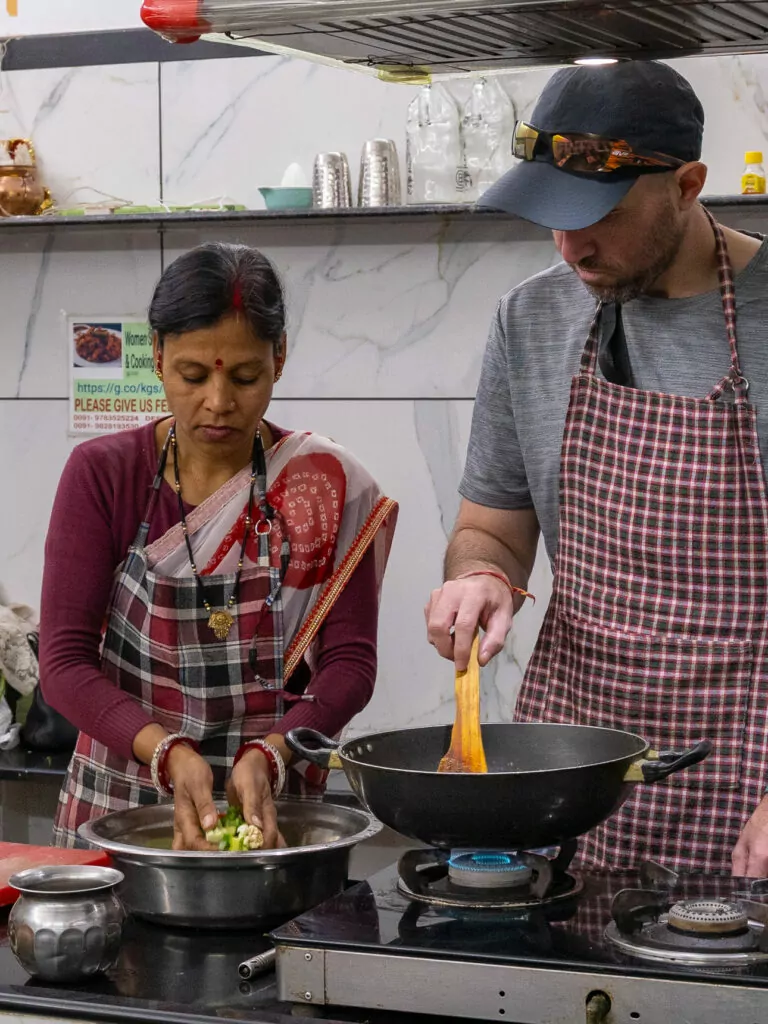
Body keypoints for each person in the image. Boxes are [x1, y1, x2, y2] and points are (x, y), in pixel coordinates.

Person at [425, 60, 768, 877]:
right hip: (576, 770)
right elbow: (490, 531)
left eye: (600, 213)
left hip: (748, 767)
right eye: (550, 215)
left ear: (687, 185)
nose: (571, 244)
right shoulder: (531, 319)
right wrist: (480, 577)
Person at [41, 243, 398, 850]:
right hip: (121, 809)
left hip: (264, 808)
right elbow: (64, 666)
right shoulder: (103, 475)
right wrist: (168, 753)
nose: (218, 402)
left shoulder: (321, 486)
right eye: (192, 374)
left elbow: (350, 666)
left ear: (279, 358)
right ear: (156, 356)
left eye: (244, 376)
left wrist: (272, 752)